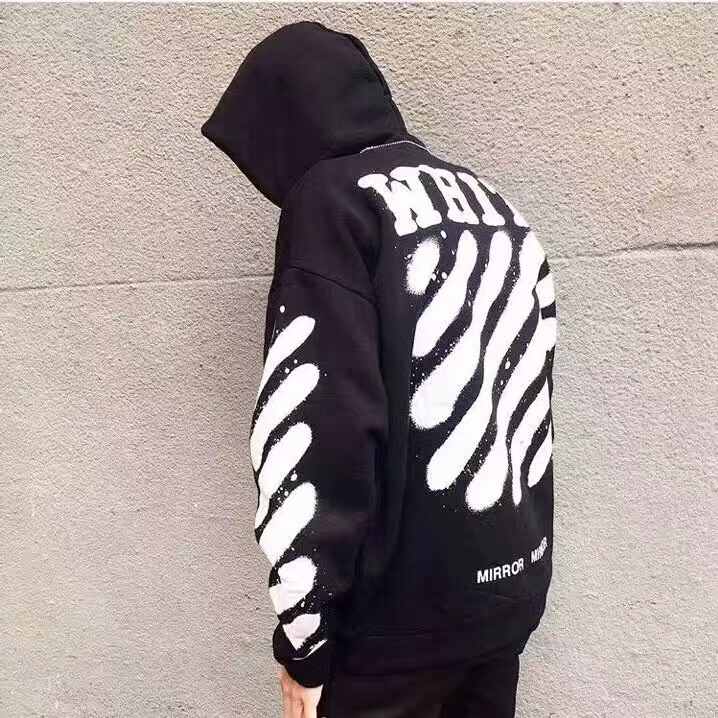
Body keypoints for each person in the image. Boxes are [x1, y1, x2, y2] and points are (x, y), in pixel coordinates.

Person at [201, 20, 557, 718]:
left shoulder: (334, 201)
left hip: (395, 635)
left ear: (287, 117)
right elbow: (533, 405)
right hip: (508, 598)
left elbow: (322, 430)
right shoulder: (495, 203)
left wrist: (304, 639)